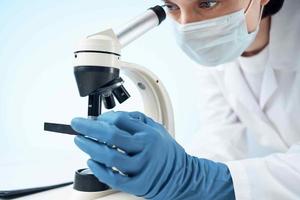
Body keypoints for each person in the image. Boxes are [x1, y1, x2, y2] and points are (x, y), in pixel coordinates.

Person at [71, 0, 300, 199]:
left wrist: (198, 179)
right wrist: (167, 172)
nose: (188, 25)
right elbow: (221, 135)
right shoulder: (217, 49)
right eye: (172, 6)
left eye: (208, 3)